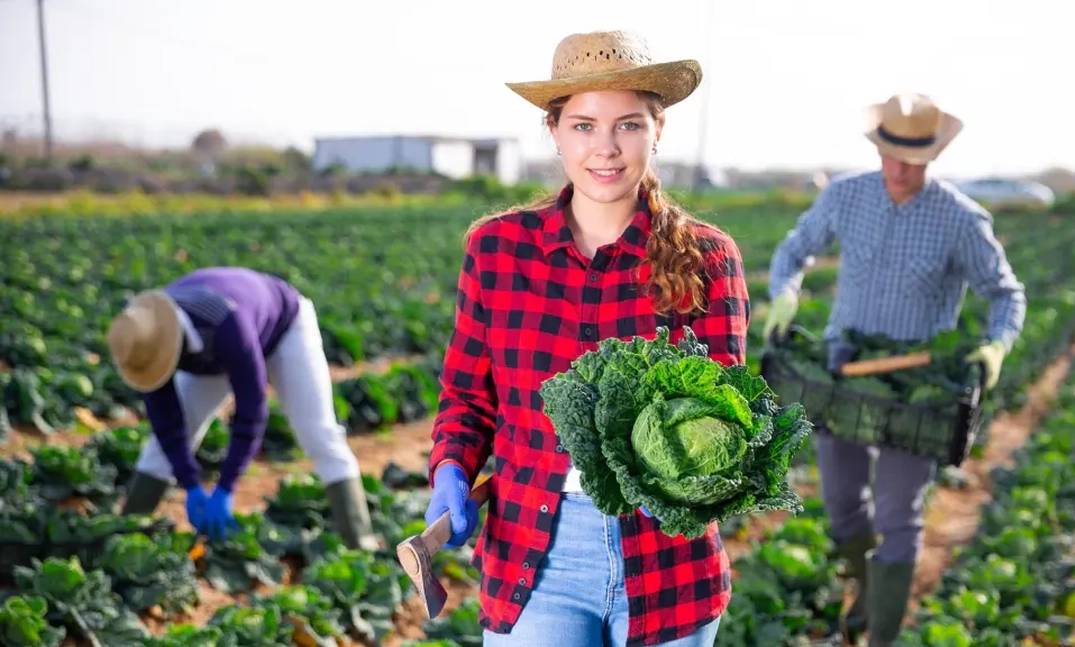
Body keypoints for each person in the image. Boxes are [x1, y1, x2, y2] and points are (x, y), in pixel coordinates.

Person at [422, 30, 749, 647]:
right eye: (583, 126)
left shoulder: (707, 257)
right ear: (554, 130)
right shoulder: (497, 250)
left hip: (667, 561)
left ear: (658, 130)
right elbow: (467, 398)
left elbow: (724, 417)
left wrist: (683, 483)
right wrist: (450, 469)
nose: (605, 148)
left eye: (627, 125)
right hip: (533, 554)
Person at [763, 93, 1027, 645]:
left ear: (932, 157)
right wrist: (785, 296)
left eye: (914, 161)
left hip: (915, 387)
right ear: (878, 149)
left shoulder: (960, 219)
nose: (901, 170)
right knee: (839, 505)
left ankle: (880, 635)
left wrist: (995, 347)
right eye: (892, 156)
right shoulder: (845, 196)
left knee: (898, 515)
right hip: (843, 370)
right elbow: (792, 252)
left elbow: (1006, 295)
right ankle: (865, 586)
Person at [106, 266, 378, 550]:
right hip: (211, 343)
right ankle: (124, 539)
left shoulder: (226, 325)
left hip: (284, 326)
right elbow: (166, 421)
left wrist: (226, 486)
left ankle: (361, 541)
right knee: (161, 447)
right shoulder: (144, 339)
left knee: (318, 434)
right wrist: (191, 485)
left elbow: (251, 409)